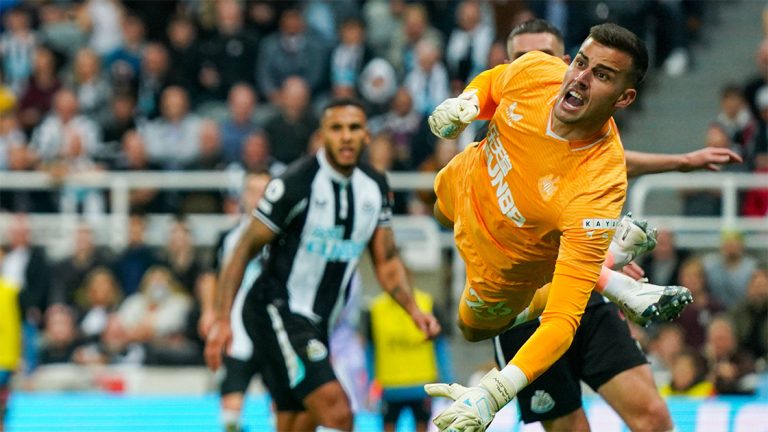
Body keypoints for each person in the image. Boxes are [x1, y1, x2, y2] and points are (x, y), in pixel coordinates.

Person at [423, 22, 679, 432]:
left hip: (509, 277)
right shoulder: (537, 73)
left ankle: (603, 268)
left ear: (625, 97)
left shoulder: (597, 186)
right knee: (437, 206)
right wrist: (467, 102)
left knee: (473, 327)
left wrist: (494, 391)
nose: (579, 78)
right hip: (460, 184)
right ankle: (609, 271)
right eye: (580, 63)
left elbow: (562, 319)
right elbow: (495, 82)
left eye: (601, 75)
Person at [493, 19, 743, 432]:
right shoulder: (501, 133)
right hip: (527, 309)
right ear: (507, 65)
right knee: (571, 428)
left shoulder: (585, 129)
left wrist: (680, 162)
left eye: (548, 57)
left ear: (563, 61)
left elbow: (611, 163)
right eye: (523, 59)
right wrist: (605, 267)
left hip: (587, 297)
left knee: (654, 418)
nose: (535, 67)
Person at [205, 98, 441, 431]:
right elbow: (243, 248)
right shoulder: (295, 184)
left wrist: (414, 311)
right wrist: (220, 318)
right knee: (338, 411)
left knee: (298, 420)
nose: (346, 136)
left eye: (354, 128)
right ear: (323, 135)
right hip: (276, 309)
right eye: (337, 128)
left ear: (367, 136)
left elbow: (386, 261)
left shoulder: (375, 188)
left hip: (320, 321)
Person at [198, 170, 271, 432]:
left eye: (264, 192)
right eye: (252, 191)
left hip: (274, 334)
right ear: (242, 196)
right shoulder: (228, 239)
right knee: (230, 407)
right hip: (236, 335)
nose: (258, 198)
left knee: (283, 407)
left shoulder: (286, 240)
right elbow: (210, 276)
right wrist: (210, 312)